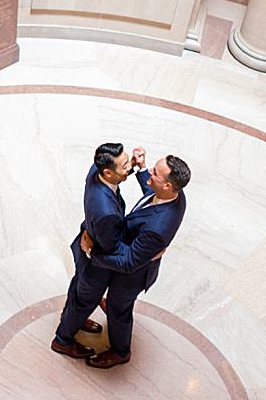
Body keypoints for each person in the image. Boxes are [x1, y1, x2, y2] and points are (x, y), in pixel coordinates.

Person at [52, 151, 191, 369]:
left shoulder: (158, 227)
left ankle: (120, 351)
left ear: (167, 186)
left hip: (131, 274)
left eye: (154, 173)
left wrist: (91, 252)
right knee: (83, 293)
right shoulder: (175, 194)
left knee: (119, 309)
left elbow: (128, 263)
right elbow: (150, 195)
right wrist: (142, 169)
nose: (149, 174)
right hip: (121, 254)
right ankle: (71, 323)